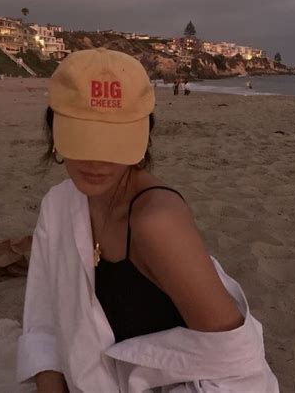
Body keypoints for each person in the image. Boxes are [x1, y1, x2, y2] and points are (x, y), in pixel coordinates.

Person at [17, 48, 278, 392]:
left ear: (143, 137)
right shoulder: (58, 206)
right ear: (54, 130)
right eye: (83, 138)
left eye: (113, 141)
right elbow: (43, 323)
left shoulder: (156, 222)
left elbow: (238, 369)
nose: (97, 159)